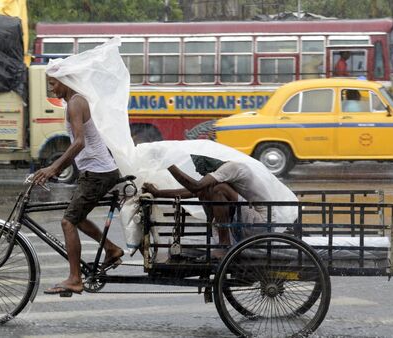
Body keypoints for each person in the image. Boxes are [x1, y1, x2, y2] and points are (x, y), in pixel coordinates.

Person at [33, 76, 124, 296]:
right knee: (77, 217)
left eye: (53, 84)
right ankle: (111, 249)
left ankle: (75, 279)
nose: (51, 89)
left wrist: (54, 167)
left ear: (65, 81)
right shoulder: (74, 101)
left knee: (67, 222)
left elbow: (79, 142)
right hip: (95, 171)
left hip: (98, 173)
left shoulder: (75, 102)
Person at [143, 156, 276, 247]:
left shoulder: (231, 167)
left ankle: (224, 244)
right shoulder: (225, 172)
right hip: (248, 223)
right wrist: (157, 193)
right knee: (207, 190)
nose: (197, 170)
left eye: (198, 164)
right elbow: (190, 192)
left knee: (218, 189)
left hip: (261, 223)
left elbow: (195, 186)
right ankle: (221, 240)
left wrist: (169, 165)